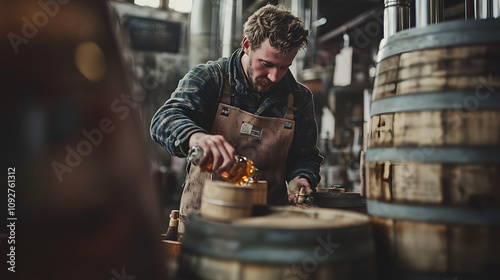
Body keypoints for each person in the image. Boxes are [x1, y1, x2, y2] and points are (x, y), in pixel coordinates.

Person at [150, 3, 323, 234]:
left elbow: (306, 156)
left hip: (269, 231)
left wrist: (302, 178)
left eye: (284, 67)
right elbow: (164, 119)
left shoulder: (299, 98)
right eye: (267, 64)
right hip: (204, 228)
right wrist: (195, 137)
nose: (274, 76)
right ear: (246, 45)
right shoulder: (211, 78)